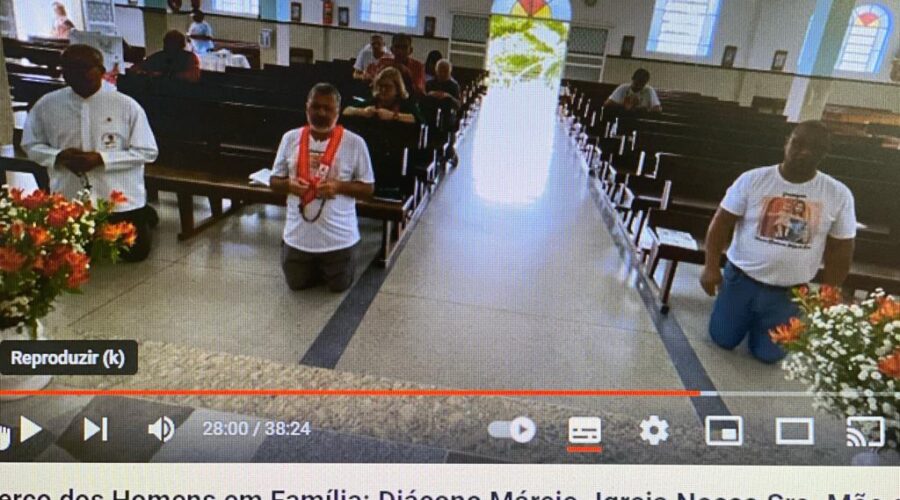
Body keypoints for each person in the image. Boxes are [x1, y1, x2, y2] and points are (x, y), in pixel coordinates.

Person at [700, 121, 856, 363]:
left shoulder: (838, 193)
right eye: (798, 143)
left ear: (825, 153)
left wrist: (828, 293)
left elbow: (841, 249)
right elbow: (721, 223)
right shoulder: (753, 179)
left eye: (815, 148)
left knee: (768, 355)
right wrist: (711, 267)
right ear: (787, 142)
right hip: (741, 280)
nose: (804, 152)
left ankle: (760, 325)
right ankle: (734, 313)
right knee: (722, 339)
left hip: (790, 293)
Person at [22, 45, 159, 263]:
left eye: (85, 68)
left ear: (101, 69)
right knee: (70, 255)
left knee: (134, 254)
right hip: (70, 196)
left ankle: (145, 216)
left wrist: (102, 159)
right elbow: (30, 145)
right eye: (70, 69)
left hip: (118, 196)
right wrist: (58, 156)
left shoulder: (125, 105)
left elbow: (148, 151)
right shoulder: (47, 105)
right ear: (63, 72)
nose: (78, 74)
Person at [270, 83, 375, 293]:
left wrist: (338, 186)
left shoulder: (355, 143)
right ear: (306, 107)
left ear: (338, 111)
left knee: (339, 287)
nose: (321, 113)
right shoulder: (290, 138)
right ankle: (313, 264)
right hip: (298, 236)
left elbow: (368, 188)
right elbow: (274, 181)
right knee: (296, 285)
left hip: (338, 238)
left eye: (328, 109)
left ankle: (330, 263)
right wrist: (289, 185)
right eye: (315, 107)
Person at [343, 67, 424, 124]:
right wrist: (362, 112)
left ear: (397, 88)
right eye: (380, 86)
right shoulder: (374, 101)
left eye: (387, 86)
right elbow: (346, 111)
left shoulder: (405, 103)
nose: (383, 90)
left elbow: (419, 121)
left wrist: (393, 116)